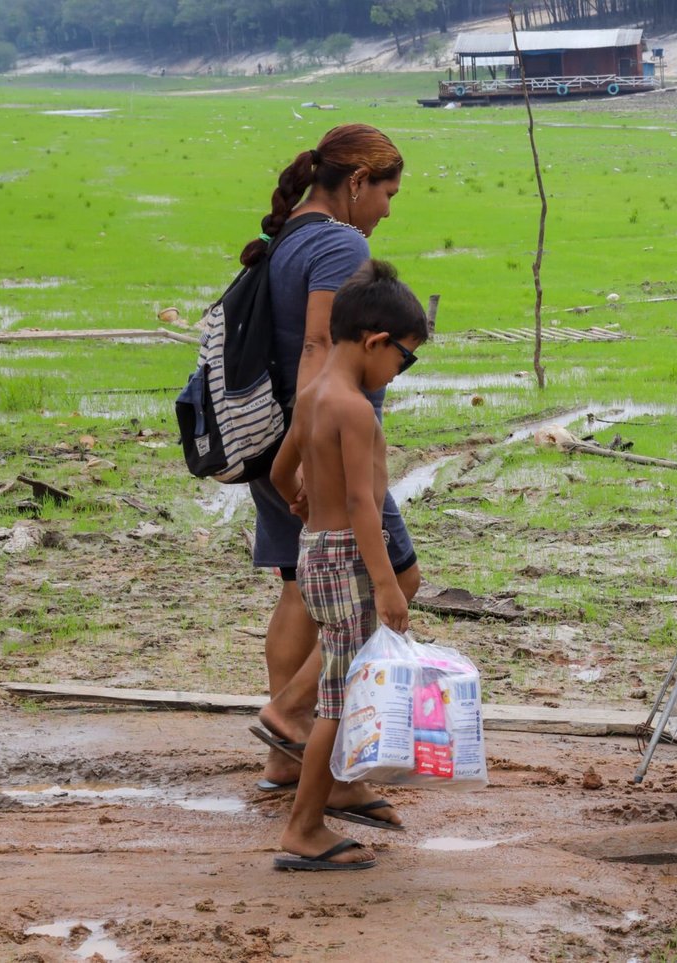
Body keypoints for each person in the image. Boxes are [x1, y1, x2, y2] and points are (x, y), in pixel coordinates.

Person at [242, 123, 418, 833]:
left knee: (298, 586)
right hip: (324, 446)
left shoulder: (291, 234)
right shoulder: (341, 243)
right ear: (356, 183)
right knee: (396, 579)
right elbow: (321, 341)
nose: (387, 210)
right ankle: (291, 718)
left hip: (281, 438)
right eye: (387, 192)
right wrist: (316, 441)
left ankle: (292, 757)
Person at [270, 259, 430, 870]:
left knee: (342, 689)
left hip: (315, 552)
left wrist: (300, 496)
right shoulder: (356, 409)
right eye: (403, 358)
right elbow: (365, 505)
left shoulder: (312, 396)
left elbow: (283, 469)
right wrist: (389, 587)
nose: (398, 371)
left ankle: (319, 807)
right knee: (336, 701)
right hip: (347, 561)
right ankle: (304, 826)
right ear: (375, 342)